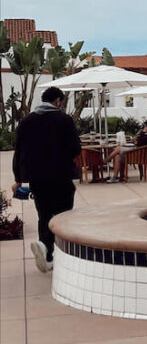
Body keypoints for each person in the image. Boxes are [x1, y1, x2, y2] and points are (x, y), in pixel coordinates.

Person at [12, 86, 81, 273]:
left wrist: (18, 178)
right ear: (57, 100)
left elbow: (19, 151)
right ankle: (61, 253)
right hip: (61, 176)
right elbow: (75, 148)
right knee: (63, 215)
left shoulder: (26, 122)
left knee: (44, 215)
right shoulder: (64, 120)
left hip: (37, 178)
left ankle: (45, 248)